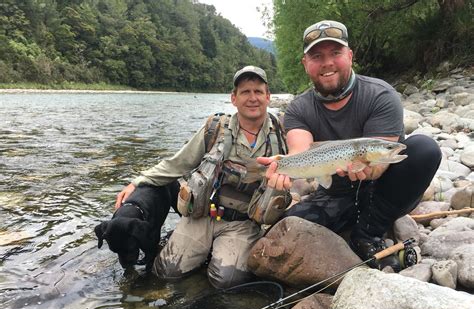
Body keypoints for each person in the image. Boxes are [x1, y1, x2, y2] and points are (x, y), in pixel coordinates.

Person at [258, 20, 442, 271]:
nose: (327, 63)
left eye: (336, 53)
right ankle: (347, 225)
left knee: (424, 149)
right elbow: (300, 151)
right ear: (305, 64)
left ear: (350, 56)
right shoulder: (298, 109)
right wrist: (281, 167)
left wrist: (368, 168)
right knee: (287, 227)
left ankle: (368, 232)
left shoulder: (380, 95)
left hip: (384, 190)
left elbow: (380, 159)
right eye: (317, 56)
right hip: (335, 193)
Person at [115, 66, 290, 288]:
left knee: (227, 281)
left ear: (268, 97)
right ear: (234, 98)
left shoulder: (283, 134)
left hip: (243, 224)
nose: (252, 98)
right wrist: (138, 182)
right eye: (245, 92)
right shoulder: (215, 128)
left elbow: (305, 167)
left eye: (258, 91)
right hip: (201, 216)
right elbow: (178, 163)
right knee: (166, 273)